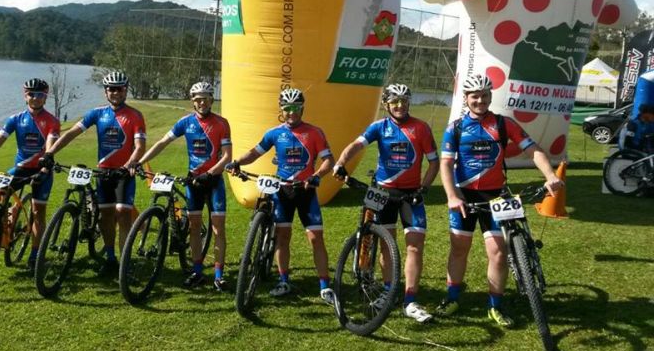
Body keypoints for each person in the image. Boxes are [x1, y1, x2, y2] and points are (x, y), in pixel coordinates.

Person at [437, 74, 563, 327]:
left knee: (497, 252)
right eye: (475, 96)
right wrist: (452, 196)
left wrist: (550, 175)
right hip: (464, 195)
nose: (480, 101)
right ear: (466, 99)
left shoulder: (504, 124)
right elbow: (446, 163)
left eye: (484, 96)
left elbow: (533, 149)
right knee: (459, 248)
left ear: (490, 97)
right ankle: (452, 297)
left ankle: (495, 305)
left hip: (497, 195)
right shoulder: (456, 128)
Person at [333, 83, 440, 323]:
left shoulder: (421, 128)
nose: (400, 105)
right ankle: (389, 291)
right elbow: (356, 146)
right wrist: (340, 163)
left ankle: (410, 300)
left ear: (409, 102)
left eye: (403, 100)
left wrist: (424, 187)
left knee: (414, 246)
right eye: (394, 101)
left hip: (411, 194)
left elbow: (434, 163)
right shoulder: (378, 127)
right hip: (383, 192)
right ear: (386, 104)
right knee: (385, 245)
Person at [226, 88, 336, 305]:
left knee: (316, 239)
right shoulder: (274, 133)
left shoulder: (314, 132)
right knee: (282, 237)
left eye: (296, 108)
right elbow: (255, 152)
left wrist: (316, 175)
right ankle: (283, 280)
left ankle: (325, 286)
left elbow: (328, 160)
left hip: (305, 191)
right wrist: (237, 162)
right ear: (281, 110)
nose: (292, 112)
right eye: (287, 108)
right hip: (282, 191)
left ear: (302, 108)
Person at [41, 71, 145, 276]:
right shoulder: (97, 113)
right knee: (105, 217)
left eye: (119, 89)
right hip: (104, 173)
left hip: (123, 173)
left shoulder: (135, 115)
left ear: (125, 90)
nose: (115, 93)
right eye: (111, 89)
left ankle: (124, 263)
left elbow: (140, 145)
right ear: (106, 92)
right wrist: (50, 152)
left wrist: (130, 163)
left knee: (123, 214)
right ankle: (110, 258)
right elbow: (72, 133)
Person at [138, 81, 232, 290]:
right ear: (193, 101)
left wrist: (209, 174)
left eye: (206, 98)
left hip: (213, 181)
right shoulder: (185, 122)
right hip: (193, 181)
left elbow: (227, 157)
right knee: (194, 227)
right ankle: (197, 272)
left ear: (211, 100)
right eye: (198, 99)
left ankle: (219, 275)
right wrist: (140, 161)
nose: (202, 103)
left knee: (218, 229)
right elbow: (162, 142)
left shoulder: (221, 123)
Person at [0, 78, 60, 270]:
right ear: (25, 96)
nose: (35, 98)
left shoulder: (51, 121)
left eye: (40, 95)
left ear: (45, 98)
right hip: (20, 169)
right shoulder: (16, 119)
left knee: (37, 212)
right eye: (31, 94)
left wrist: (46, 163)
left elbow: (51, 143)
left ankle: (35, 255)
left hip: (42, 170)